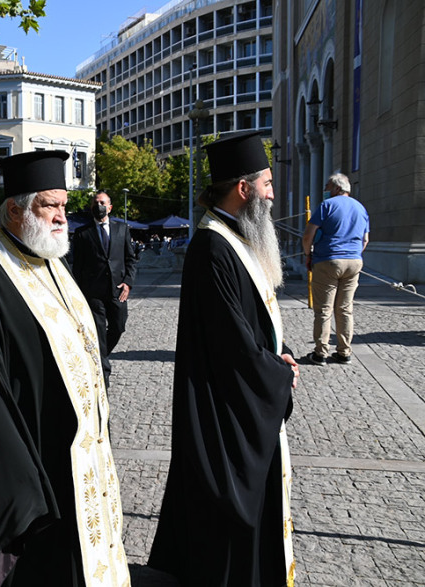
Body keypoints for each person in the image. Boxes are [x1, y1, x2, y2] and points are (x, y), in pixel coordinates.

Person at [0, 151, 130, 587]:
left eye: (64, 206)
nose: (61, 217)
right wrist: (25, 491)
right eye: (49, 205)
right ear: (16, 210)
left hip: (79, 459)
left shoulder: (53, 263)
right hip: (37, 471)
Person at [148, 131, 299, 587]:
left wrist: (280, 353)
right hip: (224, 409)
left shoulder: (235, 238)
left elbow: (253, 324)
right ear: (243, 188)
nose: (272, 195)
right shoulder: (213, 247)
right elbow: (231, 343)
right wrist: (278, 372)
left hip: (240, 395)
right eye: (267, 184)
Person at [301, 173, 370, 365]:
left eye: (327, 187)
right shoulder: (360, 207)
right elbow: (365, 239)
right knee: (345, 309)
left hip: (328, 260)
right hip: (354, 261)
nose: (325, 190)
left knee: (323, 309)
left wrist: (308, 254)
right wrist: (353, 253)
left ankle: (320, 353)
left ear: (337, 188)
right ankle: (344, 352)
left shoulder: (327, 205)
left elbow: (308, 235)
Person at [71, 190, 137, 387]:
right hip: (93, 293)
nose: (98, 206)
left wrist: (128, 282)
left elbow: (130, 259)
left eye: (102, 203)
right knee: (99, 332)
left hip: (118, 290)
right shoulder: (82, 233)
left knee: (119, 326)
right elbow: (77, 265)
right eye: (95, 203)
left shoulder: (122, 229)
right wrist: (78, 291)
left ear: (109, 207)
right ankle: (103, 373)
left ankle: (100, 356)